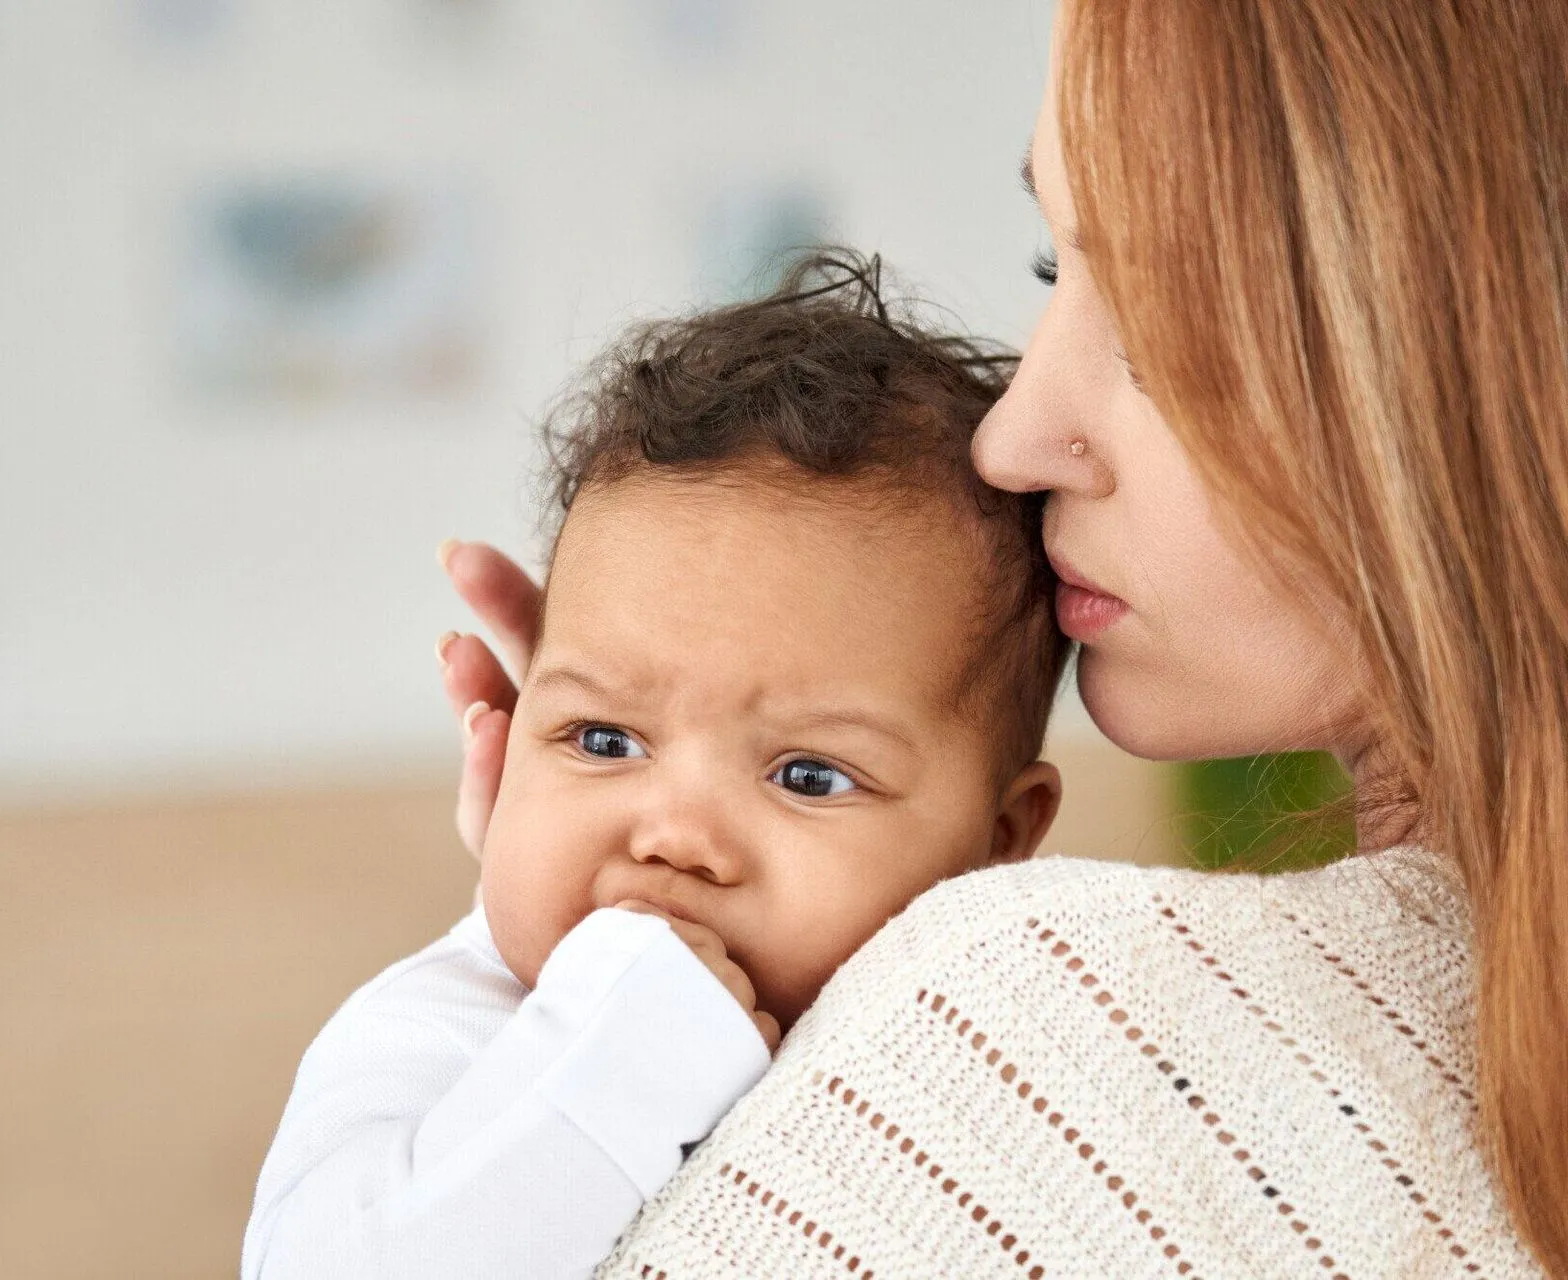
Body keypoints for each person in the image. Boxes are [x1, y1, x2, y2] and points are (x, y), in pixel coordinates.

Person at [439, 2, 1568, 1276]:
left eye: (1157, 331)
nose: (1013, 437)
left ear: (1482, 364)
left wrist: (531, 967)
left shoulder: (1016, 1028)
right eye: (1053, 271)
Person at [241, 258, 1071, 1280]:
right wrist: (624, 1043)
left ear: (1001, 840)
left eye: (808, 776)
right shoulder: (443, 1029)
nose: (675, 834)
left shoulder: (1007, 1063)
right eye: (602, 740)